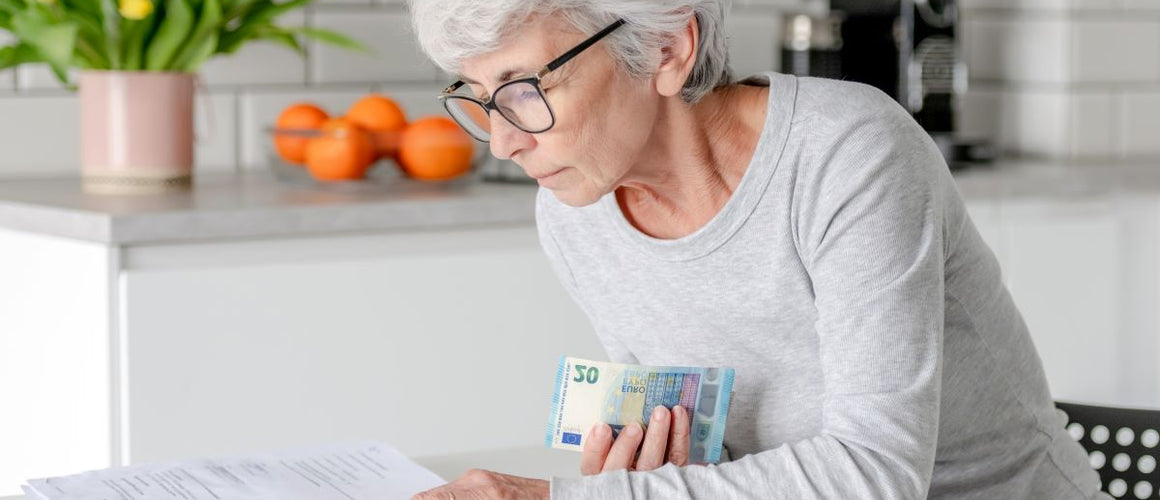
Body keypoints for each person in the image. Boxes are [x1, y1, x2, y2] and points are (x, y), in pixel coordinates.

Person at [407, 0, 1108, 498]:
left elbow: (877, 473)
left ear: (666, 49)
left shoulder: (848, 155)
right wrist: (645, 470)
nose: (503, 142)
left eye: (525, 89)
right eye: (482, 98)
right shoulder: (574, 212)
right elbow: (703, 455)